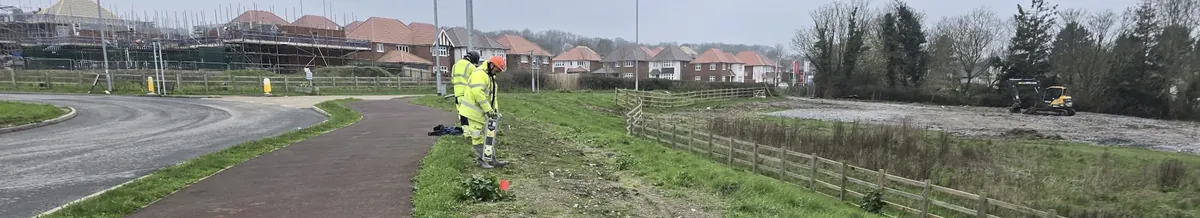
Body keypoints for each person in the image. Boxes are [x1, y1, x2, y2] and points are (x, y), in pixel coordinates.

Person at [461, 56, 507, 168]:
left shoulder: (489, 76)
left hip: (481, 113)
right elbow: (478, 94)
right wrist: (488, 110)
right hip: (473, 113)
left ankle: (491, 160)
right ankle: (481, 160)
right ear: (491, 65)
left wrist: (494, 110)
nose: (498, 73)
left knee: (489, 138)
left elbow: (492, 96)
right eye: (497, 70)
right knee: (477, 137)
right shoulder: (480, 74)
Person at [452, 51, 481, 128]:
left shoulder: (455, 65)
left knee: (462, 115)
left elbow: (452, 80)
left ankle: (466, 133)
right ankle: (471, 134)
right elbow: (476, 81)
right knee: (471, 115)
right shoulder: (471, 67)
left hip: (457, 94)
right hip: (467, 95)